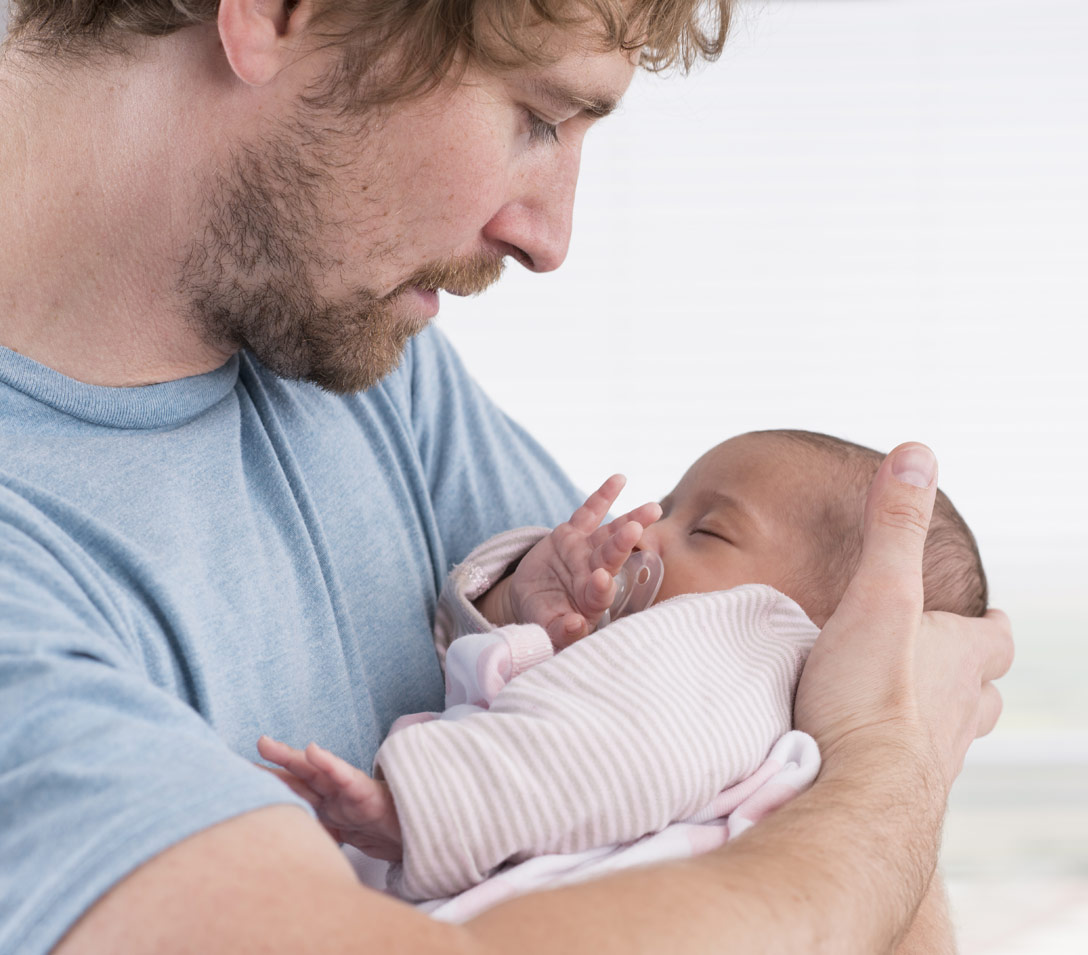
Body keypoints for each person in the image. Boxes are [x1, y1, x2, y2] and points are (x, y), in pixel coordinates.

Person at [0, 0, 1013, 952]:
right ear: (272, 10)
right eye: (535, 116)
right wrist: (884, 775)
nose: (548, 239)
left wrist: (858, 798)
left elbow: (769, 742)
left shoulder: (351, 358)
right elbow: (861, 789)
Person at [259, 429, 989, 922]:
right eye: (666, 505)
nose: (647, 532)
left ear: (831, 623)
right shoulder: (693, 693)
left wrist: (419, 808)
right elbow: (549, 717)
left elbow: (615, 750)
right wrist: (517, 604)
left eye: (706, 530)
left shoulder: (755, 639)